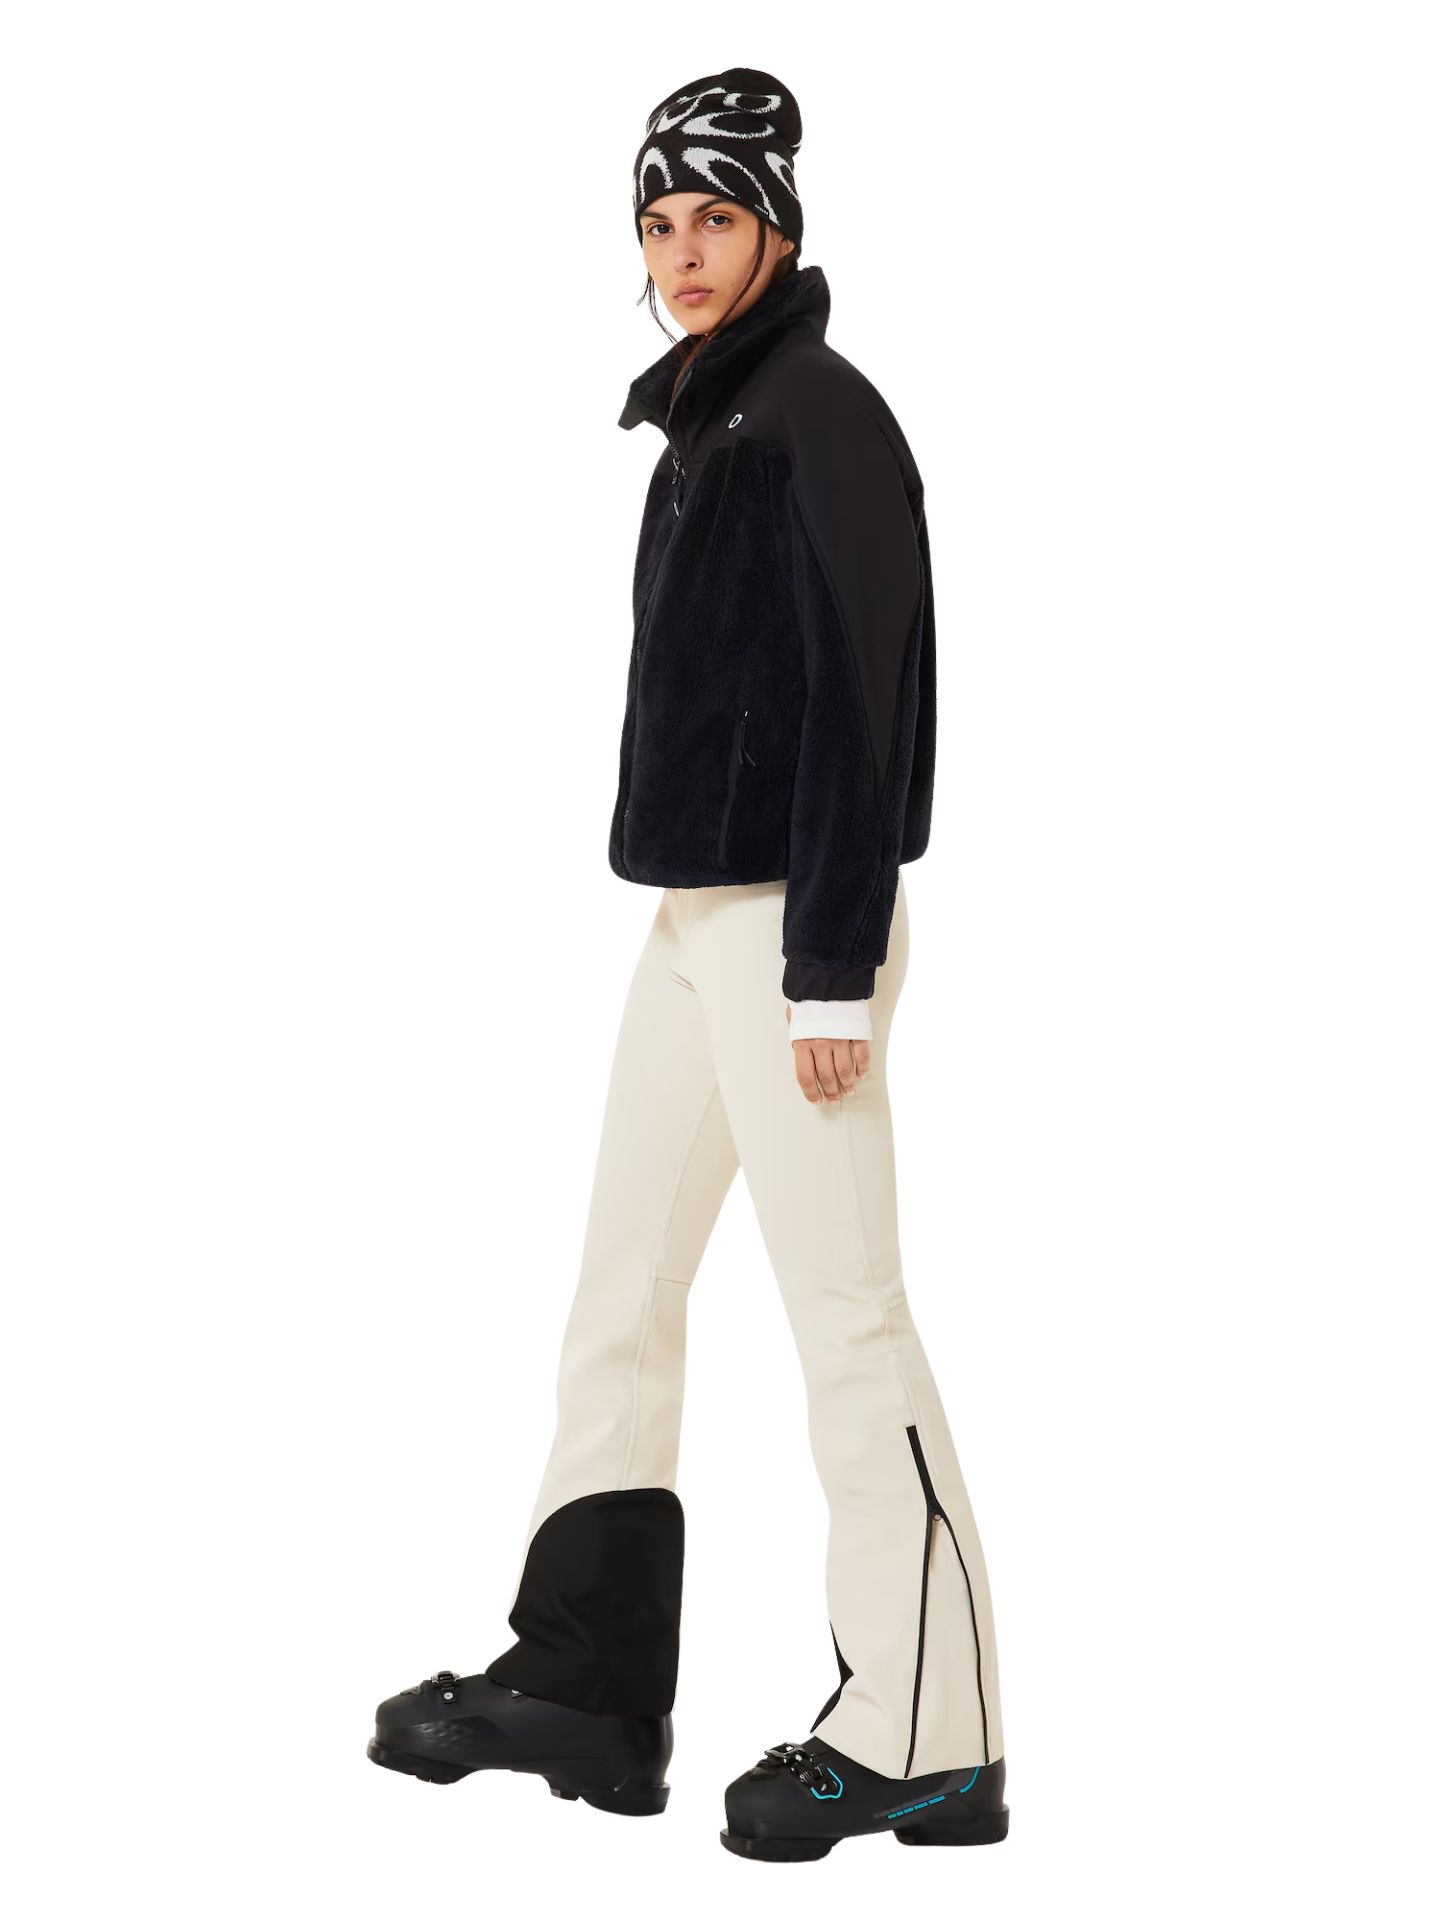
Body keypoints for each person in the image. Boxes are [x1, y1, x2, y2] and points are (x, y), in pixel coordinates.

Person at [367, 65, 1008, 1863]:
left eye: (715, 217)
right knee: (623, 1291)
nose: (682, 252)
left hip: (798, 926)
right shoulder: (710, 423)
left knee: (846, 1316)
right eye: (658, 223)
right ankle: (588, 1679)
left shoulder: (820, 416)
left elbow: (866, 702)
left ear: (779, 230)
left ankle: (931, 1731)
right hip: (692, 920)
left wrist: (830, 966)